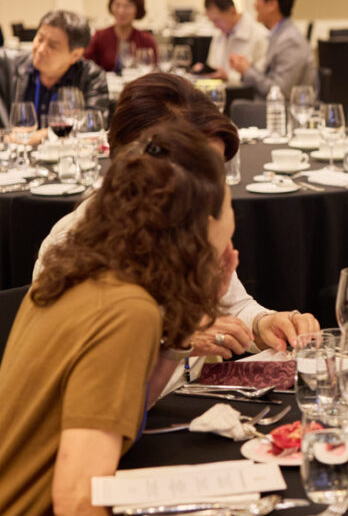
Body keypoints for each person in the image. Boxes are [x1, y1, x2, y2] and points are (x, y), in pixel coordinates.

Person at [32, 72, 319, 391]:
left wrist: (264, 323)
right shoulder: (77, 250)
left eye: (217, 173)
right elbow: (90, 390)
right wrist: (176, 343)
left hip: (194, 401)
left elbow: (234, 307)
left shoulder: (192, 225)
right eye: (199, 174)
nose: (212, 192)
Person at [0, 123, 233, 514]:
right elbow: (77, 500)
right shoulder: (126, 312)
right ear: (201, 226)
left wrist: (190, 311)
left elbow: (126, 410)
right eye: (230, 205)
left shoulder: (80, 275)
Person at [0, 10, 108, 138]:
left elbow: (93, 124)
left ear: (75, 55)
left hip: (65, 150)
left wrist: (42, 135)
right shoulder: (7, 65)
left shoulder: (91, 76)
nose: (40, 49)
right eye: (40, 39)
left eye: (52, 46)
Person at [228, 0, 316, 98]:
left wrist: (247, 71)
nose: (254, 5)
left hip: (287, 107)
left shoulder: (290, 40)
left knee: (235, 104)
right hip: (273, 105)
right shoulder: (278, 33)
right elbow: (270, 78)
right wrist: (247, 68)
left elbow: (280, 91)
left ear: (272, 5)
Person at [197, 0, 269, 83]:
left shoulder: (260, 35)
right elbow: (213, 65)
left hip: (244, 90)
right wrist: (205, 71)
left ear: (232, 11)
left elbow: (262, 78)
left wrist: (228, 77)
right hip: (219, 89)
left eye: (216, 20)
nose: (214, 26)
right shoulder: (219, 34)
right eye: (211, 21)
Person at [83, 0, 159, 72]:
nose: (121, 11)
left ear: (138, 9)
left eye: (127, 6)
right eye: (117, 5)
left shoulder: (146, 39)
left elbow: (154, 70)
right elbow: (83, 63)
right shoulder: (100, 36)